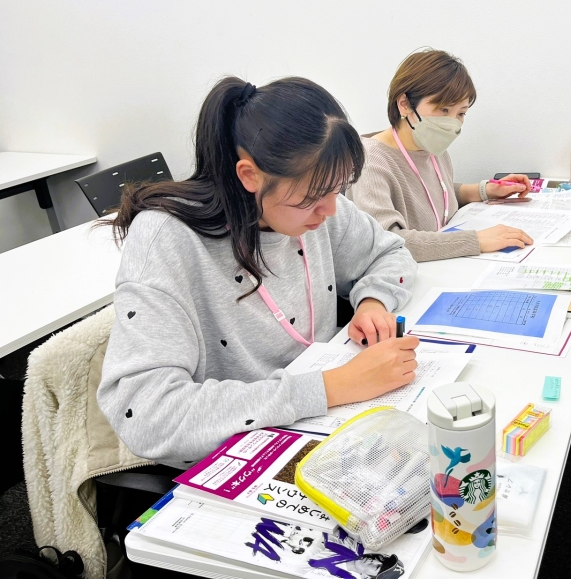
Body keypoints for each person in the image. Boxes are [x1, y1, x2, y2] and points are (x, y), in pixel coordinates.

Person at [97, 77, 420, 467]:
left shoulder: (317, 205)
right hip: (238, 454)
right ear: (249, 175)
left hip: (326, 424)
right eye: (312, 197)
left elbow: (391, 254)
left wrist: (371, 302)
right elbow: (146, 414)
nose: (331, 211)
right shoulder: (167, 242)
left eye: (339, 189)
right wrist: (333, 386)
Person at [347, 49, 533, 261]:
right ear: (404, 104)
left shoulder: (432, 147)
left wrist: (486, 190)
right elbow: (389, 241)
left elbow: (435, 194)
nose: (452, 123)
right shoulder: (370, 161)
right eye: (444, 110)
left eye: (461, 113)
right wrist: (476, 241)